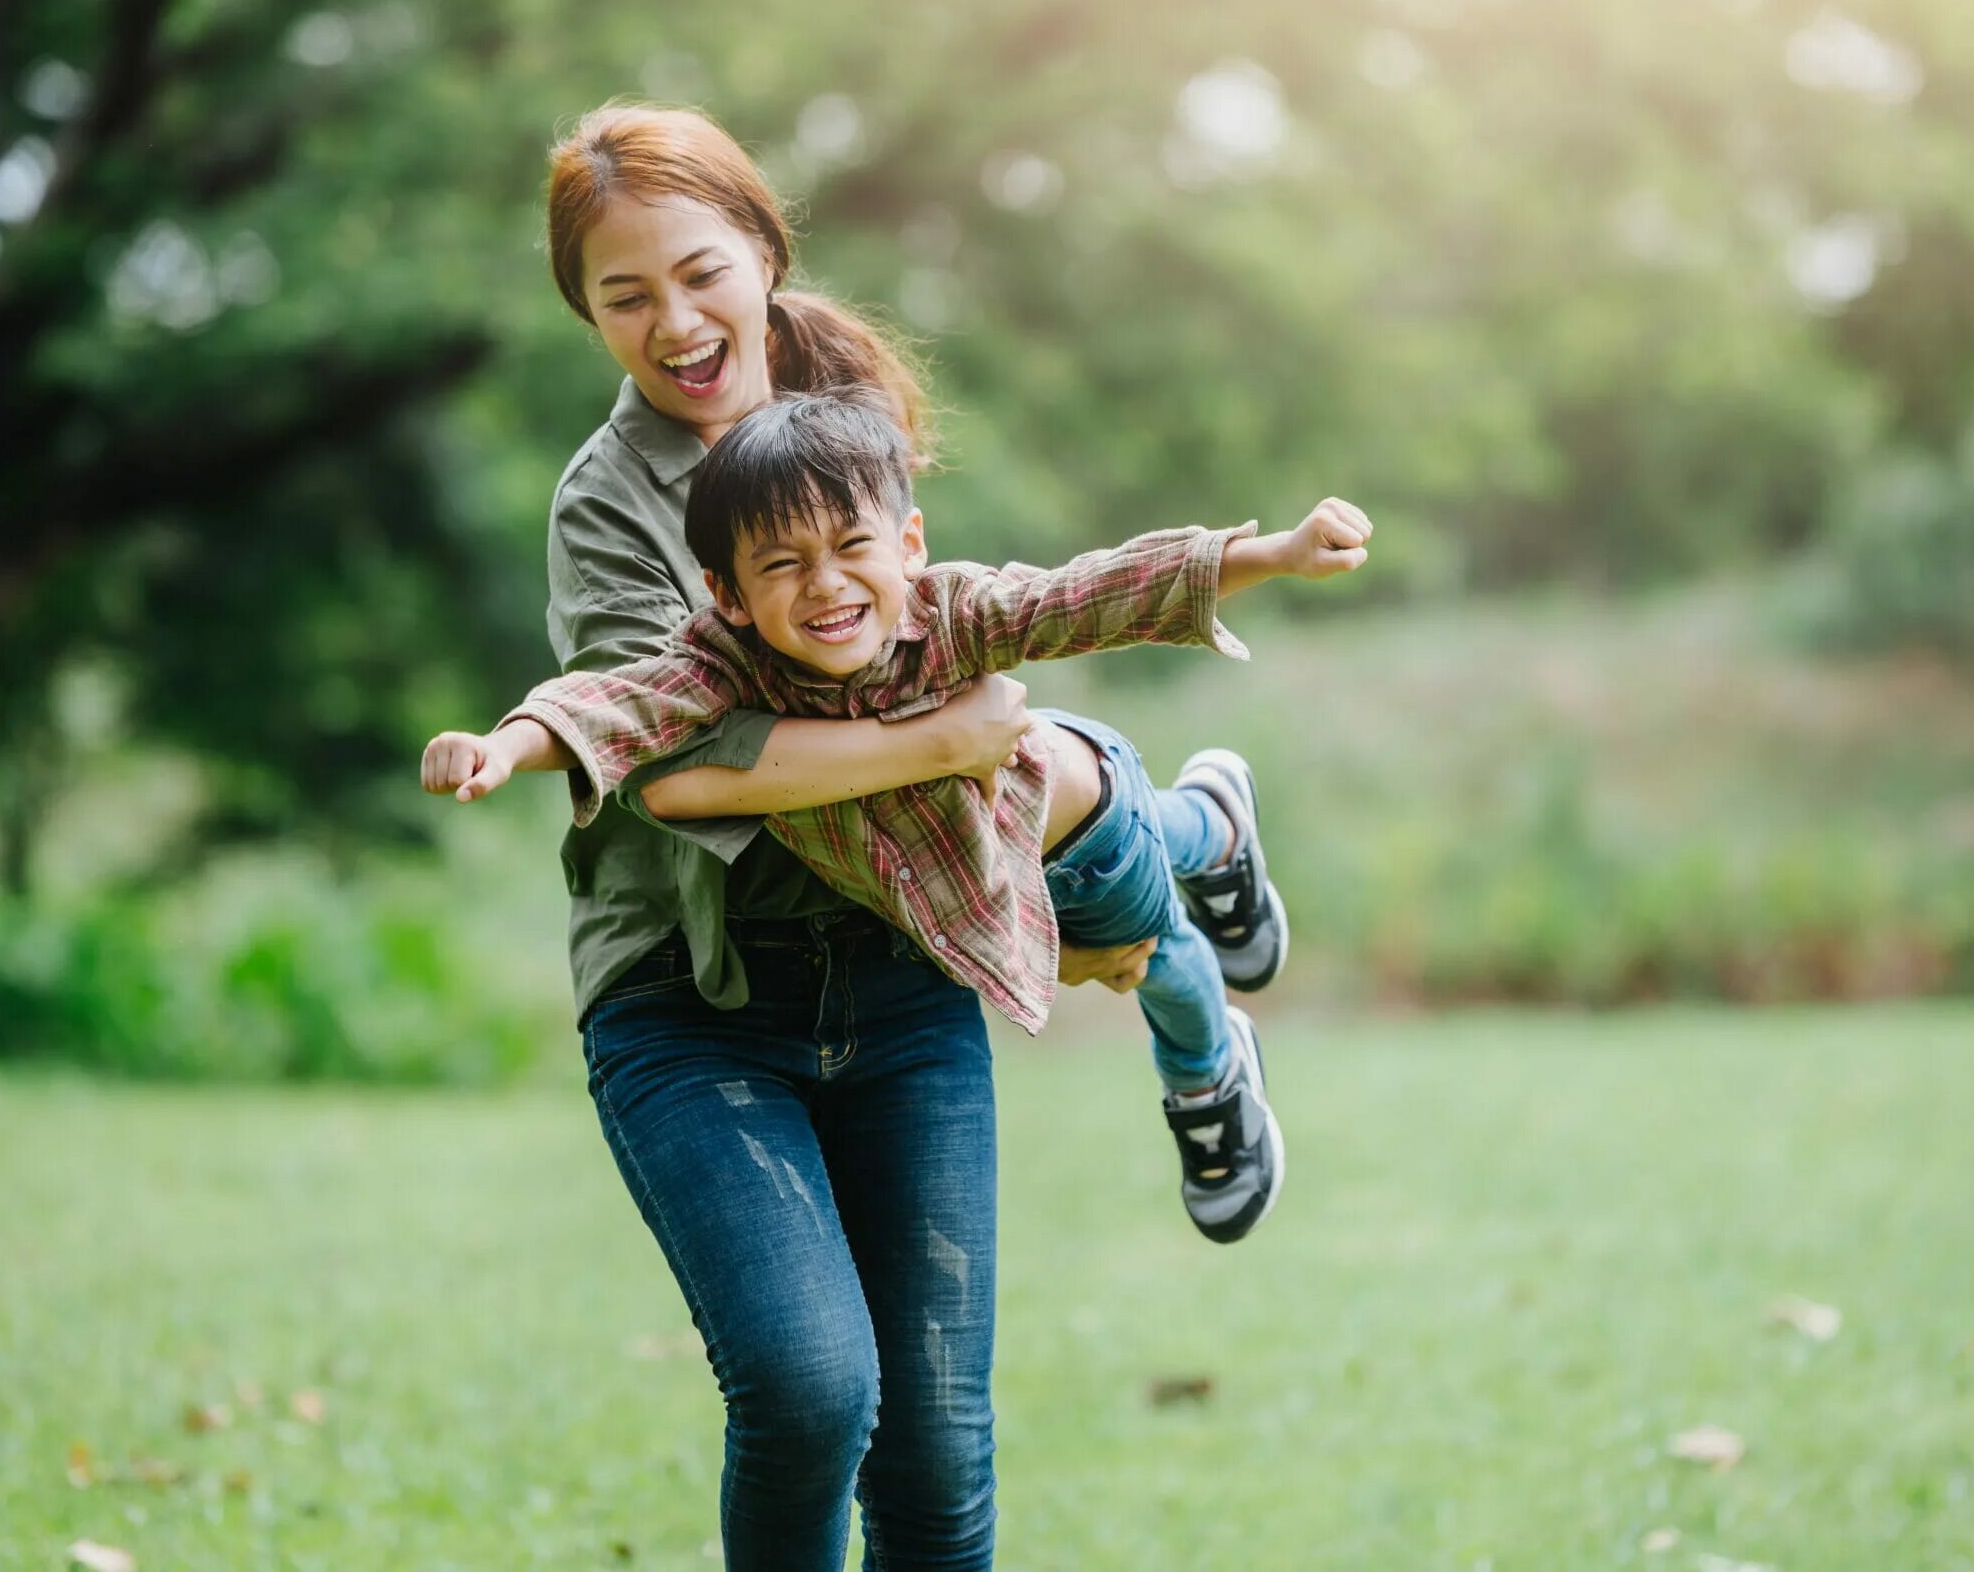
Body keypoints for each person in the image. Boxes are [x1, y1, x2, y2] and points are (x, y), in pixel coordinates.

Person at [448, 99, 1284, 1571]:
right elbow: (677, 748)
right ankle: (1196, 856)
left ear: (763, 251)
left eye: (699, 272)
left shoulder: (841, 406)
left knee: (939, 1453)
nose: (675, 322)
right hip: (698, 1003)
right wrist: (938, 744)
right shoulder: (608, 505)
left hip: (896, 976)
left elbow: (990, 613)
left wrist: (1231, 566)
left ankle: (1194, 875)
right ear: (583, 313)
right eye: (622, 296)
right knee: (810, 1387)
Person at [425, 391, 1374, 1239]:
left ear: (908, 543)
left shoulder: (953, 611)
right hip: (1004, 852)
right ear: (727, 593)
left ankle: (1210, 1071)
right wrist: (502, 746)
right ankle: (1214, 820)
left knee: (1157, 955)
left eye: (851, 547)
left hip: (1076, 831)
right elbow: (616, 703)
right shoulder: (721, 666)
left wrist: (1277, 554)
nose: (827, 584)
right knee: (1166, 863)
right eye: (784, 565)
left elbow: (1093, 592)